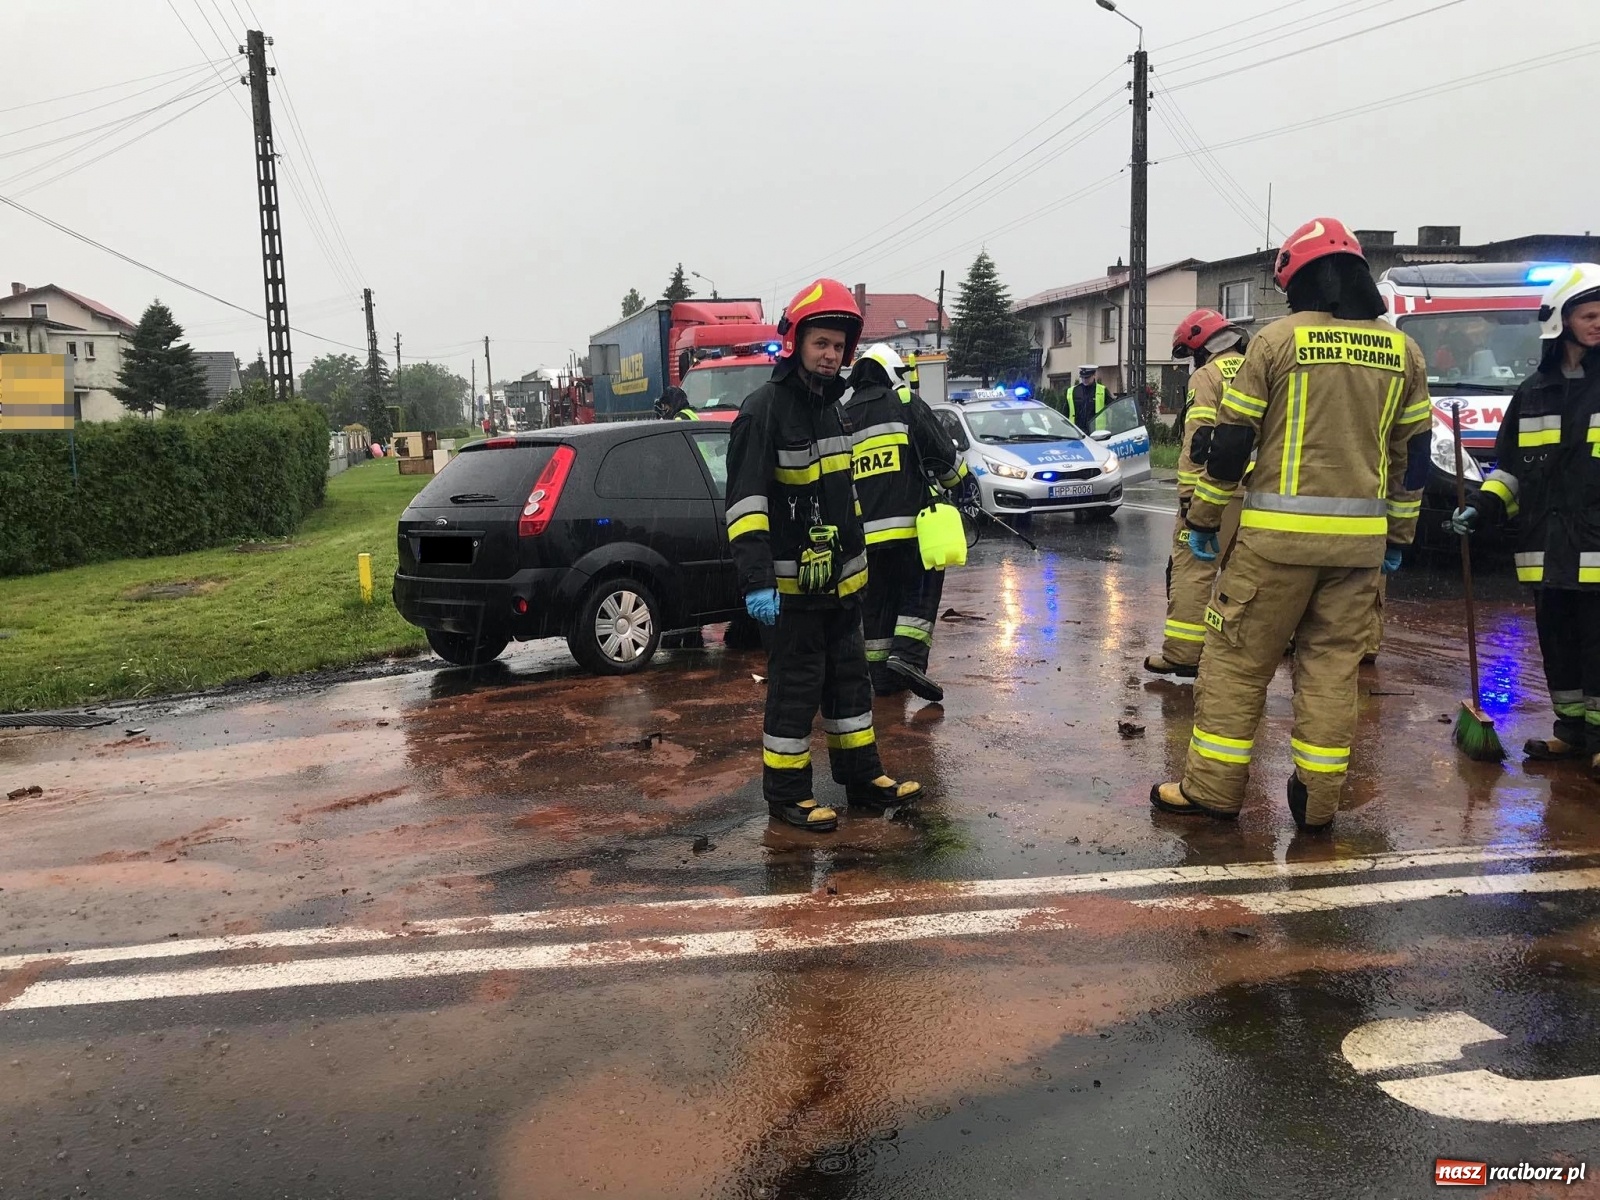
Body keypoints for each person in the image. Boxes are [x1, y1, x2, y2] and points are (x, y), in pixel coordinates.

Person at [1152, 218, 1433, 832]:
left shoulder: (1276, 342)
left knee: (1236, 662)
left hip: (1273, 548)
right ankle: (1319, 802)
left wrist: (1202, 517)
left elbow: (1229, 446)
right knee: (1332, 671)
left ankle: (1213, 789)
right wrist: (1398, 539)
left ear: (1297, 279)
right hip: (1359, 552)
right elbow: (1413, 462)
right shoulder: (1402, 351)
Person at [725, 279, 923, 831]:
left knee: (850, 686)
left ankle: (863, 778)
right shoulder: (763, 410)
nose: (831, 354)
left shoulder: (832, 409)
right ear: (796, 343)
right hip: (790, 595)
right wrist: (757, 581)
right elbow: (746, 504)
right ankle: (787, 795)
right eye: (821, 343)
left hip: (840, 587)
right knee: (795, 692)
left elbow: (841, 496)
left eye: (838, 346)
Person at [1449, 264, 1600, 780]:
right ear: (1561, 321)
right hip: (1549, 549)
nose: (1598, 324)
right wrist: (1483, 506)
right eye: (1589, 314)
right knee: (1557, 643)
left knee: (1598, 644)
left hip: (1598, 545)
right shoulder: (1533, 393)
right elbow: (1511, 471)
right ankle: (1573, 733)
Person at [844, 343, 970, 702]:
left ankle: (881, 676)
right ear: (891, 374)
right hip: (908, 529)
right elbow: (943, 457)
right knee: (923, 583)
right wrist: (961, 486)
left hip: (863, 538)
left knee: (878, 602)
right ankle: (909, 657)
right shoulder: (903, 404)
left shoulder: (843, 414)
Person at [1145, 309, 1248, 678]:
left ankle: (1184, 654)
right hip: (1261, 490)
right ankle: (1246, 652)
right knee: (1245, 574)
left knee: (1192, 570)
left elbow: (1200, 437)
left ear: (1202, 346)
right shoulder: (1259, 369)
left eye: (1192, 354)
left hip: (1215, 488)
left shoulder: (1208, 375)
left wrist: (1189, 494)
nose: (1193, 362)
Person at [1066, 364, 1110, 432]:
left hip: (1096, 432)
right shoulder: (1073, 391)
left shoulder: (1102, 390)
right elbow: (1065, 412)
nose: (1084, 380)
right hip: (1077, 431)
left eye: (1087, 377)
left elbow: (1113, 406)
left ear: (1094, 375)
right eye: (1082, 377)